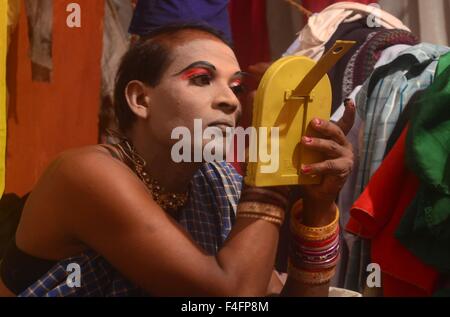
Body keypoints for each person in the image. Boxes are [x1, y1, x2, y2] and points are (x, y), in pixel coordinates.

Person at [0, 23, 355, 297]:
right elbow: (232, 295)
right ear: (140, 99)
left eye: (236, 87)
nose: (231, 102)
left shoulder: (219, 181)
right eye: (201, 79)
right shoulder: (87, 173)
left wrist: (318, 206)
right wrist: (271, 171)